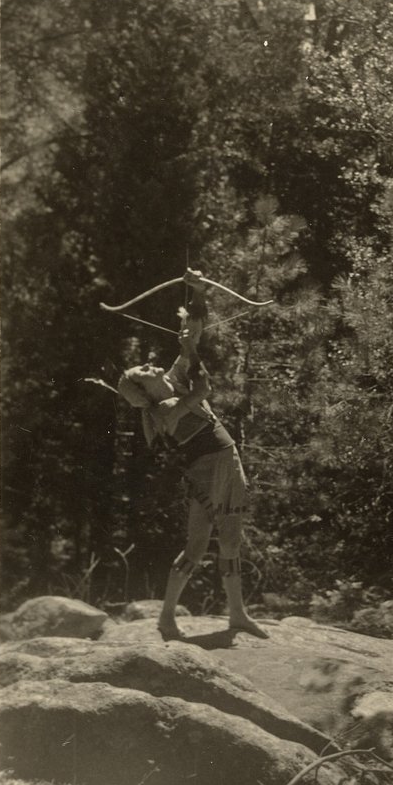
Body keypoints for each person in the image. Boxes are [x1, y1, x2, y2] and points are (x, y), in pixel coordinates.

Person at [117, 269, 268, 640]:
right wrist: (190, 350)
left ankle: (236, 614)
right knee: (198, 547)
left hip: (224, 462)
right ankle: (168, 618)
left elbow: (194, 330)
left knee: (228, 541)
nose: (149, 365)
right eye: (143, 371)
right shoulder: (164, 409)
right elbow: (203, 389)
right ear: (143, 390)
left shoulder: (170, 381)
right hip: (210, 470)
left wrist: (198, 293)